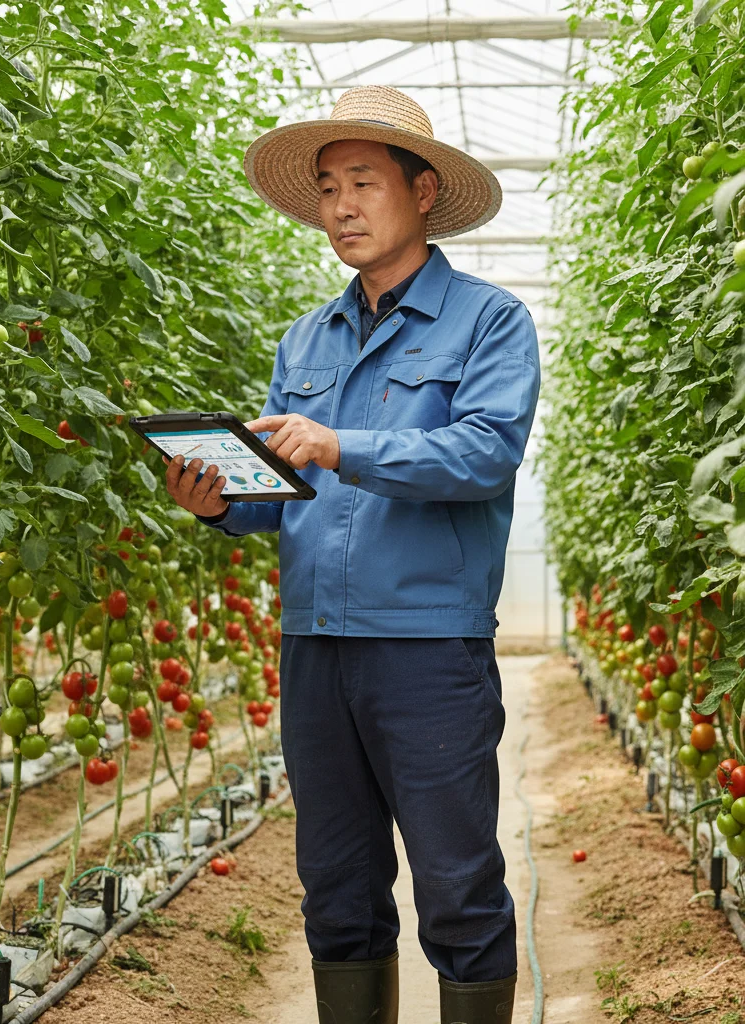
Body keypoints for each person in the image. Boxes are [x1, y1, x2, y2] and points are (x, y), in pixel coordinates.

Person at [162, 85, 540, 1024]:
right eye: (328, 188)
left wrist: (342, 445)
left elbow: (484, 453)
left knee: (457, 887)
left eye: (363, 183)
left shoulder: (489, 321)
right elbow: (282, 496)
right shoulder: (307, 339)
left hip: (427, 649)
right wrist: (220, 502)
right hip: (314, 646)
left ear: (423, 190)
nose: (341, 207)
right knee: (336, 891)